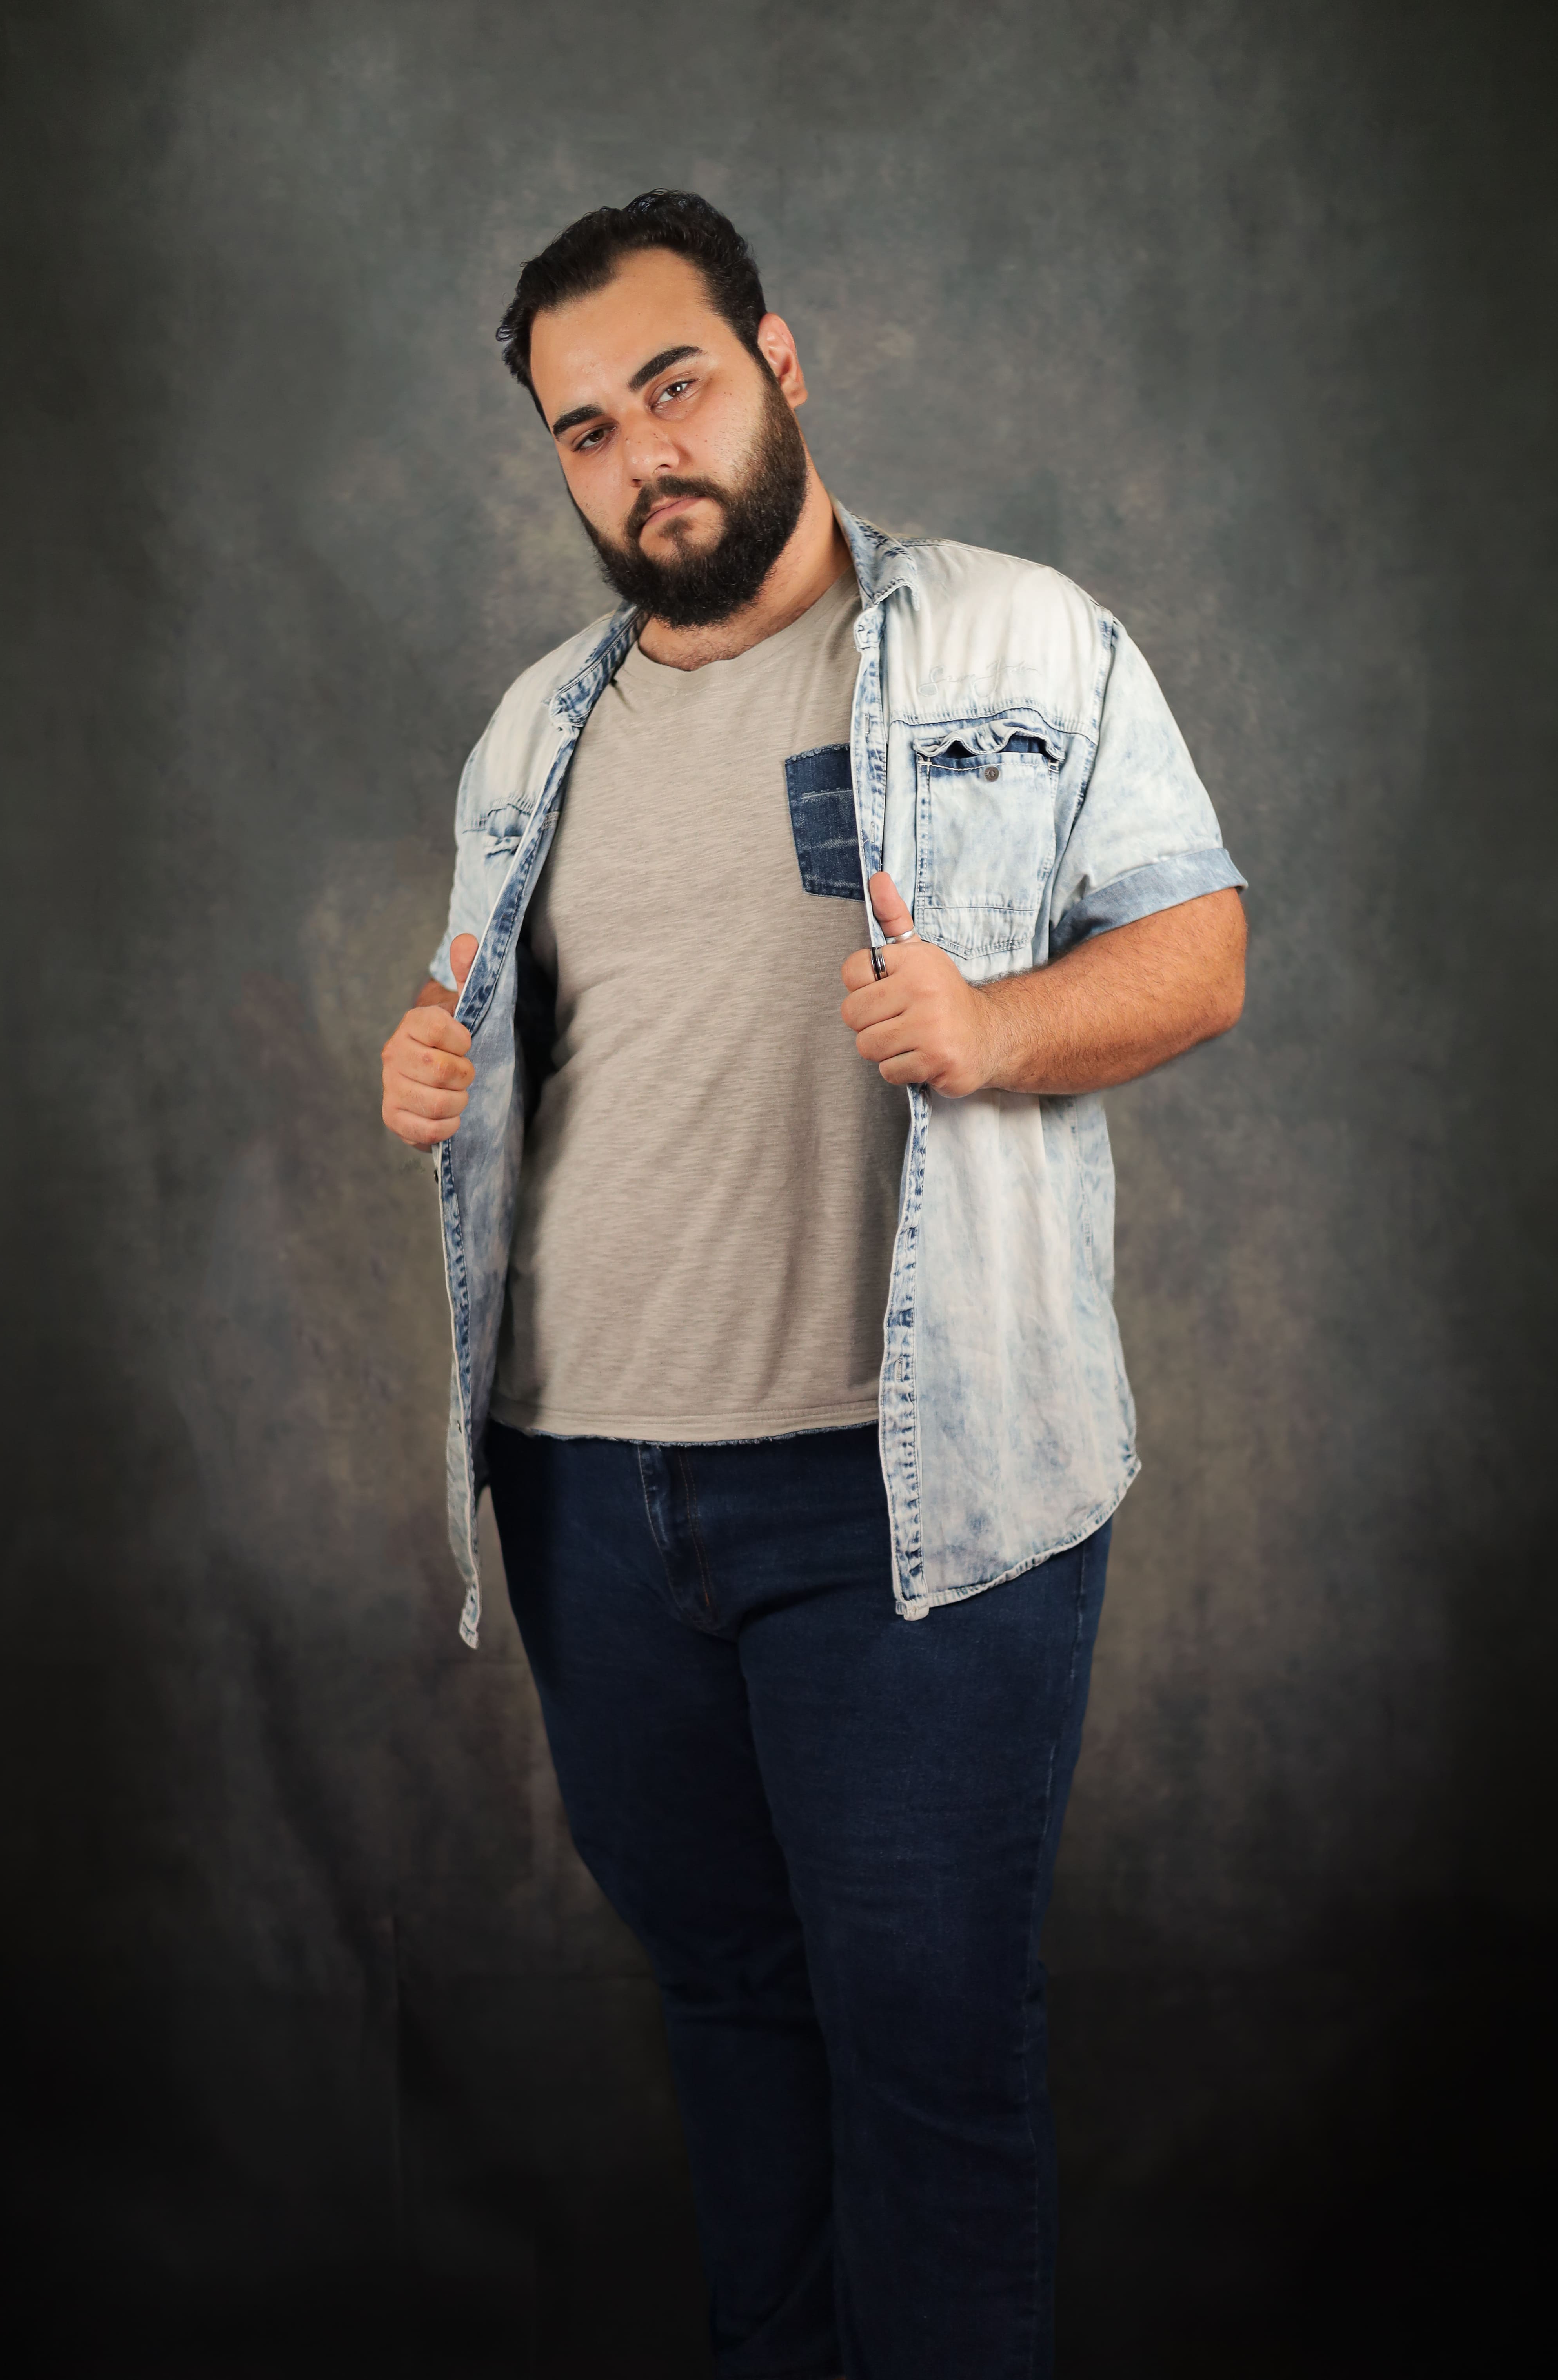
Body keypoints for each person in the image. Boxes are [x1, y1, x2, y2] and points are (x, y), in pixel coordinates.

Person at [380, 190, 1245, 2380]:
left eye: (672, 386)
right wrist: (430, 1061)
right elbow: (503, 1023)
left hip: (907, 1497)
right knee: (735, 2023)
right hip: (593, 1500)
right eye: (585, 430)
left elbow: (1201, 947)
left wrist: (998, 1029)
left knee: (930, 2054)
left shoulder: (1020, 642)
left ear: (780, 361)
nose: (641, 456)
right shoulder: (531, 733)